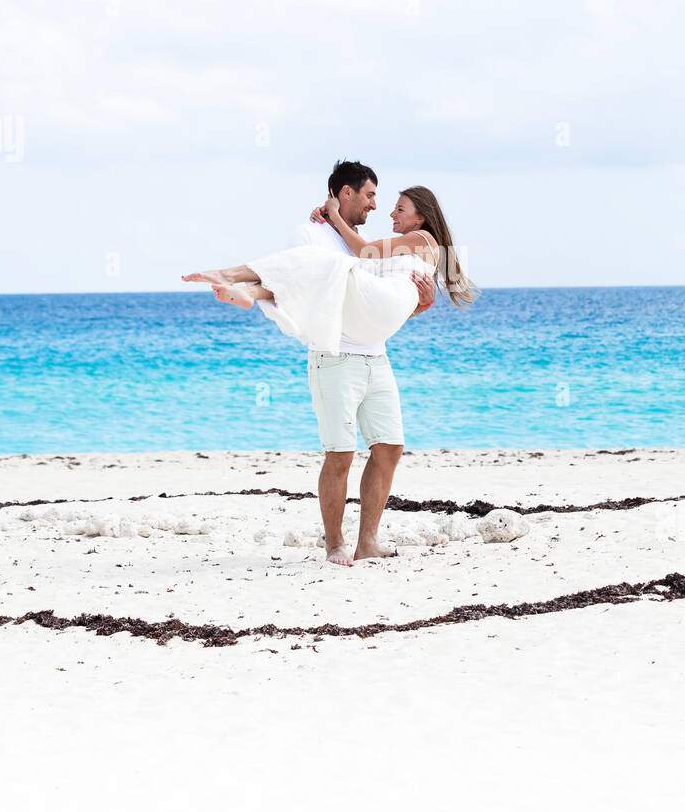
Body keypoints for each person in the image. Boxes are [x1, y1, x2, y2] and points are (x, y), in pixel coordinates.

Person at [182, 159, 477, 566]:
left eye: (396, 207)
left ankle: (368, 541)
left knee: (389, 448)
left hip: (377, 356)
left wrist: (424, 301)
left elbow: (393, 302)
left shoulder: (405, 241)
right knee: (340, 453)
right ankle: (336, 543)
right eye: (373, 196)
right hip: (337, 358)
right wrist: (332, 219)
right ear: (345, 193)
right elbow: (314, 283)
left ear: (421, 217)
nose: (382, 209)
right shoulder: (314, 233)